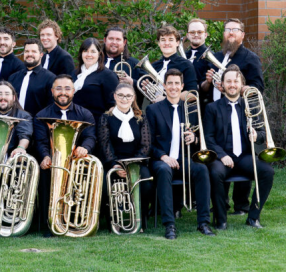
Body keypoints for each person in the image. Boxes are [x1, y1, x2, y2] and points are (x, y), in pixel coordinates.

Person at [199, 18, 264, 215]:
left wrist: (233, 86)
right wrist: (209, 82)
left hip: (240, 109)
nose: (230, 33)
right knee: (221, 154)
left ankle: (241, 205)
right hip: (216, 111)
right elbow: (202, 89)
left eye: (235, 30)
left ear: (242, 35)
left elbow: (258, 87)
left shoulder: (249, 58)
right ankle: (221, 204)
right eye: (227, 30)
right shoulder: (216, 56)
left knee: (241, 148)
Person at [147, 69, 214, 239]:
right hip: (161, 159)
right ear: (164, 85)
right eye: (170, 83)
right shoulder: (153, 110)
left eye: (177, 83)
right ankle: (169, 225)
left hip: (183, 159)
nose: (173, 87)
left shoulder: (191, 108)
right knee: (163, 170)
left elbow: (199, 135)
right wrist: (163, 157)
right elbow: (148, 142)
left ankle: (203, 223)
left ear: (182, 86)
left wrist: (194, 138)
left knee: (201, 170)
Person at [205, 65, 273, 230]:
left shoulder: (250, 105)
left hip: (244, 157)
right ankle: (220, 219)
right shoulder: (212, 108)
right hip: (223, 157)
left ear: (242, 84)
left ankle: (253, 217)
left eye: (236, 81)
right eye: (228, 81)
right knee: (215, 173)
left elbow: (263, 133)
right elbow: (208, 138)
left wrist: (257, 136)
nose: (232, 84)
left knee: (268, 172)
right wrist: (221, 155)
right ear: (222, 84)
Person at [33, 75, 96, 236]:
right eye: (59, 89)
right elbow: (40, 141)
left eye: (67, 89)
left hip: (75, 162)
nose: (63, 93)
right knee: (46, 176)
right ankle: (49, 224)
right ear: (52, 91)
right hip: (52, 162)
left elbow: (90, 136)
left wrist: (85, 147)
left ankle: (75, 220)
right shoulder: (42, 115)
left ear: (73, 92)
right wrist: (45, 156)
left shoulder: (85, 114)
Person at [98, 82, 152, 229]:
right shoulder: (105, 118)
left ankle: (141, 218)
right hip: (113, 163)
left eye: (128, 96)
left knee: (146, 184)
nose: (124, 99)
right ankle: (111, 218)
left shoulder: (141, 119)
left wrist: (131, 166)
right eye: (121, 95)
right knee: (104, 185)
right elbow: (105, 144)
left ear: (133, 98)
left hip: (136, 164)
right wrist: (115, 165)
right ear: (115, 96)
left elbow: (145, 146)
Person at [71, 37, 119, 125]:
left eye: (93, 51)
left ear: (99, 54)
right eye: (85, 51)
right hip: (73, 122)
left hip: (95, 124)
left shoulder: (107, 75)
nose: (89, 54)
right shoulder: (74, 74)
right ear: (81, 53)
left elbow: (113, 105)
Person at [147, 25, 197, 102]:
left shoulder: (186, 65)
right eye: (163, 40)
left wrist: (165, 99)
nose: (166, 43)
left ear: (177, 43)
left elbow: (192, 95)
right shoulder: (154, 66)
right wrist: (147, 89)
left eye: (170, 40)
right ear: (159, 43)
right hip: (156, 110)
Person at [7, 39, 55, 117]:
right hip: (13, 124)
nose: (29, 54)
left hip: (36, 125)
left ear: (41, 55)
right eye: (26, 51)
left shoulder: (50, 79)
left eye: (34, 51)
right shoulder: (13, 78)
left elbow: (51, 108)